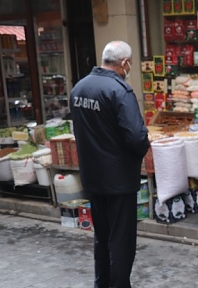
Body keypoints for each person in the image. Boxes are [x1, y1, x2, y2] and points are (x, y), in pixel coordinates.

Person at [70, 41, 150, 288]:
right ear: (124, 62)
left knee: (102, 238)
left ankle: (102, 284)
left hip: (93, 177)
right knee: (121, 241)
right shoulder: (119, 90)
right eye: (131, 63)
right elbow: (137, 137)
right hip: (118, 180)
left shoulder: (79, 89)